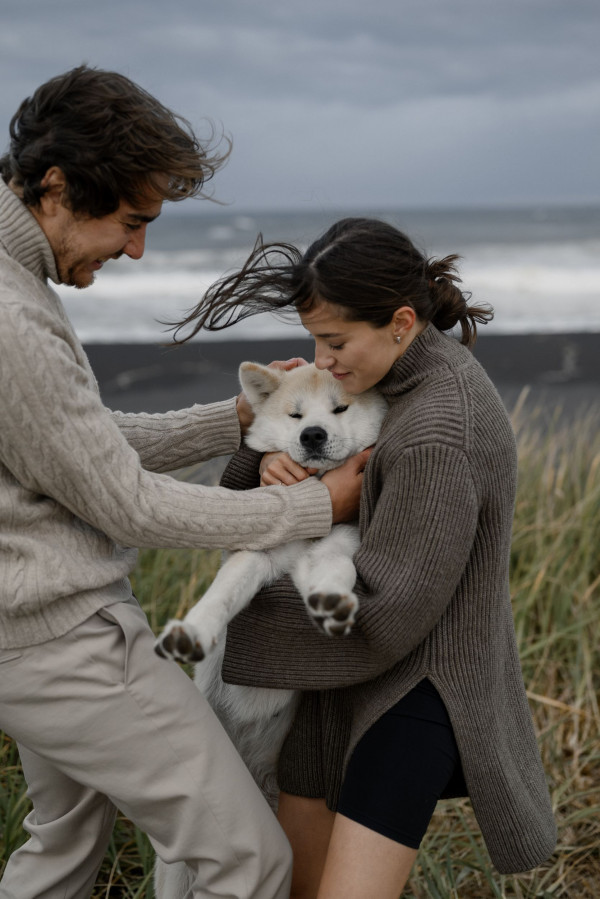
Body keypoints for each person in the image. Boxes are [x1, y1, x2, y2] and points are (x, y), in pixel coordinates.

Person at [0, 67, 368, 899]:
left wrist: (233, 423)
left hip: (18, 632)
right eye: (131, 221)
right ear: (56, 186)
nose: (136, 249)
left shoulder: (13, 283)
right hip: (61, 641)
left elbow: (73, 446)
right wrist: (313, 504)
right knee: (245, 859)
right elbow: (124, 500)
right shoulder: (12, 314)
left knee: (59, 847)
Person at [170, 217, 558, 898]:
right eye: (317, 338)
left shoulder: (441, 426)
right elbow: (298, 474)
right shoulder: (382, 379)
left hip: (416, 693)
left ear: (401, 321)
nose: (321, 359)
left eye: (334, 340)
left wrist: (231, 618)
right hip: (340, 678)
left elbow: (390, 609)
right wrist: (266, 465)